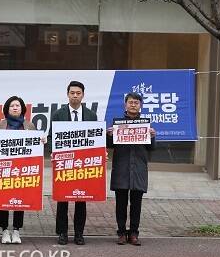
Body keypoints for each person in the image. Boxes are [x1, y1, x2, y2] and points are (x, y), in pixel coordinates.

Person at [51, 80, 97, 246]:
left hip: (83, 164)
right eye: (72, 93)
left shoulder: (91, 115)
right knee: (62, 199)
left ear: (83, 95)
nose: (75, 96)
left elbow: (95, 139)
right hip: (64, 163)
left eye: (78, 93)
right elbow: (51, 137)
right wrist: (53, 150)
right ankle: (62, 233)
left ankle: (79, 233)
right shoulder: (58, 114)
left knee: (81, 198)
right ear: (68, 94)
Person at [107, 92, 156, 246]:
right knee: (120, 203)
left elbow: (151, 148)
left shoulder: (145, 124)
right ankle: (121, 233)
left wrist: (153, 136)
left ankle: (134, 233)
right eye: (130, 102)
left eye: (136, 102)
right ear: (125, 105)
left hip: (139, 168)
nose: (133, 105)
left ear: (140, 105)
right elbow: (110, 146)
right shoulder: (119, 123)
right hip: (121, 167)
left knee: (136, 203)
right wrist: (110, 135)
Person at [0, 96, 37, 245]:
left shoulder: (29, 126)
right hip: (4, 168)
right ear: (7, 109)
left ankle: (16, 230)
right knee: (2, 198)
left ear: (22, 108)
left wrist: (40, 141)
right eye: (12, 106)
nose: (15, 108)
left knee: (20, 199)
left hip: (22, 169)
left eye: (17, 105)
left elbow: (35, 149)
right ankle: (4, 230)